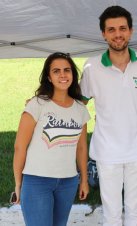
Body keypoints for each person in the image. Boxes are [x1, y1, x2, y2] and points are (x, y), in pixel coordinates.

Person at [79, 6, 137, 226]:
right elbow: (78, 103)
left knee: (135, 211)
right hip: (107, 151)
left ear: (131, 31)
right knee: (111, 213)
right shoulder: (92, 66)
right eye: (111, 30)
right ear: (103, 34)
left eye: (122, 28)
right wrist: (42, 101)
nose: (117, 34)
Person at [13, 52, 90, 226]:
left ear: (73, 74)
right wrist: (19, 183)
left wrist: (83, 180)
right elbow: (20, 147)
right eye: (56, 71)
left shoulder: (80, 108)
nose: (63, 75)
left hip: (68, 182)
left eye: (67, 70)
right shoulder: (37, 104)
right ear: (49, 77)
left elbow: (81, 148)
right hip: (36, 181)